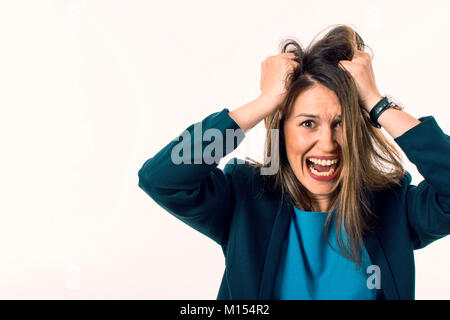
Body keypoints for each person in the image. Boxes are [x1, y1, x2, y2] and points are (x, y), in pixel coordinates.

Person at [137, 25, 450, 300]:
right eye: (308, 123)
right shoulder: (245, 198)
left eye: (341, 123)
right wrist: (263, 102)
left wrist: (376, 103)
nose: (327, 143)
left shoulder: (393, 205)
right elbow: (162, 179)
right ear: (281, 131)